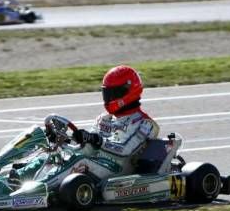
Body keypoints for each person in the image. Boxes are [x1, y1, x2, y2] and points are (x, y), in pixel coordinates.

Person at [12, 65, 159, 186]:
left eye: (113, 93)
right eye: (107, 93)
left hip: (118, 169)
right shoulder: (105, 118)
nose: (109, 98)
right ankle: (16, 179)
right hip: (94, 162)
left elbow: (126, 150)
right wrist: (66, 139)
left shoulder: (145, 123)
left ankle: (37, 188)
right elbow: (86, 144)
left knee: (78, 161)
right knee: (55, 156)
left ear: (128, 91)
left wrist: (97, 140)